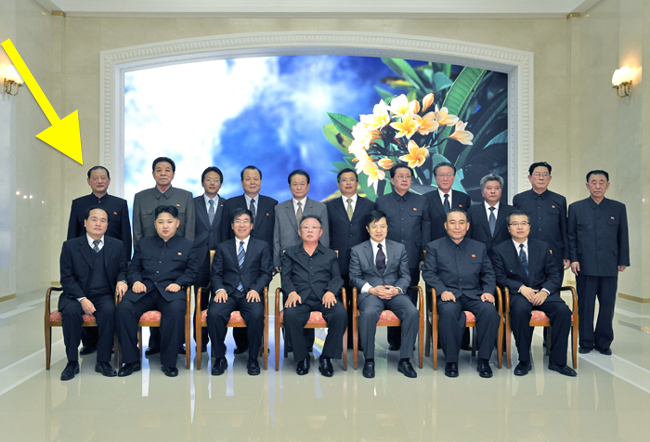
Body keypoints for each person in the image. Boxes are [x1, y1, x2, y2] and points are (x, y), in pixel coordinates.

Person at [116, 206, 200, 377]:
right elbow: (133, 268)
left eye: (169, 222)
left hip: (171, 292)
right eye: (161, 222)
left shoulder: (188, 245)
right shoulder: (144, 243)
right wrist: (137, 280)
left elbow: (192, 272)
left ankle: (169, 362)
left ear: (177, 223)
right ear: (155, 224)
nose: (165, 226)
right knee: (124, 309)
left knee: (175, 311)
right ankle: (131, 360)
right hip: (144, 291)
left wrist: (180, 283)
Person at [492, 210, 576, 377]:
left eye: (523, 223)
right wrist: (521, 288)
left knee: (563, 311)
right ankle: (524, 360)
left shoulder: (542, 247)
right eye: (515, 224)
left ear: (529, 227)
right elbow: (499, 277)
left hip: (542, 292)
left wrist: (545, 291)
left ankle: (558, 362)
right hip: (518, 294)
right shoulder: (500, 250)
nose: (520, 227)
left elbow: (554, 274)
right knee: (520, 311)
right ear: (509, 228)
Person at [422, 209, 500, 378]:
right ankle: (451, 361)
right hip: (448, 295)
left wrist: (488, 291)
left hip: (475, 295)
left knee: (490, 312)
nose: (457, 226)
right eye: (452, 222)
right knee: (449, 312)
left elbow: (488, 273)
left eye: (461, 222)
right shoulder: (434, 247)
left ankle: (484, 360)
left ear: (467, 226)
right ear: (445, 225)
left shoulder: (479, 247)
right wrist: (442, 291)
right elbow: (428, 273)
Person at [132, 157, 195, 355]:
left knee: (171, 302)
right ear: (153, 174)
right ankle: (154, 343)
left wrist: (183, 255)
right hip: (149, 257)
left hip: (176, 257)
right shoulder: (141, 197)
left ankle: (174, 345)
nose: (163, 173)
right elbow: (138, 231)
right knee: (151, 291)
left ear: (173, 174)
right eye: (158, 170)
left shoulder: (185, 196)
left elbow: (189, 230)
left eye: (168, 169)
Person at [67, 165, 132, 355]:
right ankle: (89, 343)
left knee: (108, 304)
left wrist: (125, 265)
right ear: (88, 181)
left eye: (103, 177)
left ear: (109, 180)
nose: (100, 181)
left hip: (112, 262)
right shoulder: (79, 204)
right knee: (84, 300)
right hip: (84, 262)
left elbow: (125, 236)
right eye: (95, 178)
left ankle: (109, 343)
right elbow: (72, 234)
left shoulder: (119, 204)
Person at [58, 206, 128, 381]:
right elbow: (66, 278)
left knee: (110, 311)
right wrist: (82, 298)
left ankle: (103, 361)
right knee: (71, 312)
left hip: (104, 294)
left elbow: (122, 270)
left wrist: (122, 280)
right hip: (75, 295)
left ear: (107, 225)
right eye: (94, 219)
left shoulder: (117, 245)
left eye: (103, 220)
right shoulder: (70, 246)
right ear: (85, 222)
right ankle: (72, 362)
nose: (98, 223)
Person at [349, 210, 418, 379]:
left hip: (395, 292)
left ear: (387, 228)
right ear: (368, 229)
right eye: (374, 227)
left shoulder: (399, 248)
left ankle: (405, 359)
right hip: (371, 294)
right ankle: (370, 360)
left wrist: (397, 289)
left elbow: (405, 275)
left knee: (412, 312)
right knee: (368, 313)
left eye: (382, 226)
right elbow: (354, 277)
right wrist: (371, 289)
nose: (378, 230)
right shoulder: (357, 250)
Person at [568, 170, 630, 355]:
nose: (597, 186)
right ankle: (586, 342)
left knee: (607, 304)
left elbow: (623, 236)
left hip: (609, 265)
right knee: (585, 305)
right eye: (593, 182)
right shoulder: (576, 208)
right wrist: (574, 259)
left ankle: (603, 343)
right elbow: (571, 237)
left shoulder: (618, 208)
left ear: (607, 185)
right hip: (584, 265)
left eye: (601, 182)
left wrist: (623, 260)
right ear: (587, 185)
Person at [207, 208, 273, 376]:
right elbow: (216, 274)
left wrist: (256, 289)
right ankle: (220, 358)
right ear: (232, 225)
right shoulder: (222, 247)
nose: (241, 224)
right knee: (214, 314)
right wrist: (220, 289)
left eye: (245, 221)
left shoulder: (262, 246)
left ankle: (252, 358)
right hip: (227, 293)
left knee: (257, 315)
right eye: (238, 221)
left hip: (250, 293)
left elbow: (266, 273)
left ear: (251, 225)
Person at [281, 215, 347, 377]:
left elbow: (337, 278)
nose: (310, 230)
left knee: (340, 314)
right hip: (299, 297)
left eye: (314, 227)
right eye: (306, 227)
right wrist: (292, 292)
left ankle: (327, 357)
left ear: (320, 232)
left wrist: (331, 291)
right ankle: (302, 357)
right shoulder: (290, 253)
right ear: (299, 231)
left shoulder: (330, 254)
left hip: (324, 297)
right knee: (290, 315)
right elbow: (285, 277)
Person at [374, 164, 431, 351]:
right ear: (392, 180)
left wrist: (424, 255)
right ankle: (394, 340)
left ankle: (409, 340)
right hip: (388, 259)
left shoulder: (421, 200)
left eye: (408, 176)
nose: (405, 179)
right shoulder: (382, 201)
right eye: (400, 176)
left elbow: (425, 229)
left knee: (410, 296)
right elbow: (377, 229)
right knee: (392, 295)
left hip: (413, 257)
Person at [222, 165, 278, 354]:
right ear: (241, 182)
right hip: (236, 259)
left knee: (257, 302)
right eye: (248, 179)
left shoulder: (272, 203)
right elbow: (224, 234)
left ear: (261, 182)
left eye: (256, 179)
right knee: (238, 295)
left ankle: (260, 343)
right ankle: (242, 344)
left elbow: (275, 236)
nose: (252, 182)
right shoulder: (230, 204)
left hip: (262, 262)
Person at [273, 169, 329, 351]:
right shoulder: (280, 208)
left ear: (308, 186)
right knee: (291, 301)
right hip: (289, 263)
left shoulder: (320, 207)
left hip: (314, 261)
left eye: (302, 184)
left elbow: (325, 237)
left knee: (311, 299)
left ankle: (308, 344)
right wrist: (277, 261)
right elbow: (276, 237)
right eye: (294, 184)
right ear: (289, 186)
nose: (298, 187)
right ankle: (291, 345)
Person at [326, 168, 373, 348]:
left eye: (351, 179)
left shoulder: (369, 205)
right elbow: (327, 235)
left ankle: (358, 341)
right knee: (340, 303)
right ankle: (340, 340)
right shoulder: (329, 206)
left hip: (362, 264)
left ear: (357, 183)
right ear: (338, 184)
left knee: (360, 303)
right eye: (344, 180)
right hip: (337, 263)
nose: (348, 183)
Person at [513, 161, 569, 274]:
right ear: (530, 177)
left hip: (553, 252)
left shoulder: (559, 200)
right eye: (537, 174)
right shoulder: (519, 199)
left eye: (545, 175)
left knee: (553, 286)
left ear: (550, 178)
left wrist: (566, 255)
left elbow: (564, 229)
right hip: (526, 252)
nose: (541, 178)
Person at [192, 167, 226, 353]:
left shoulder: (226, 205)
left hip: (222, 262)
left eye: (216, 180)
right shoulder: (193, 203)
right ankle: (201, 342)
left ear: (221, 183)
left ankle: (218, 342)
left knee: (220, 303)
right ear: (202, 182)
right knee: (200, 302)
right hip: (198, 261)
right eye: (208, 179)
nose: (212, 183)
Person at [467, 173, 514, 258]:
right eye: (489, 188)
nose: (493, 191)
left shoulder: (512, 211)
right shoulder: (471, 211)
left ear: (501, 191)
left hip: (505, 258)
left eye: (497, 188)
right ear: (482, 192)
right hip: (479, 258)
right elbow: (468, 238)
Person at [425, 161, 471, 241]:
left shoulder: (464, 198)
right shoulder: (425, 198)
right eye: (441, 175)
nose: (445, 179)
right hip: (434, 246)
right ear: (435, 178)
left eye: (449, 175)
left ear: (453, 177)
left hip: (459, 245)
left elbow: (468, 225)